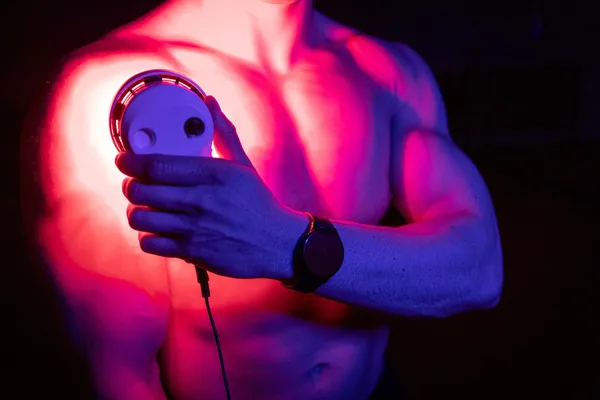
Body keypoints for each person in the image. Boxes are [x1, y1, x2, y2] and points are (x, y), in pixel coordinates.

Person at [23, 0, 503, 399]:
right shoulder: (109, 88)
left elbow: (479, 274)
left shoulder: (388, 71)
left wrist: (285, 244)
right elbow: (121, 375)